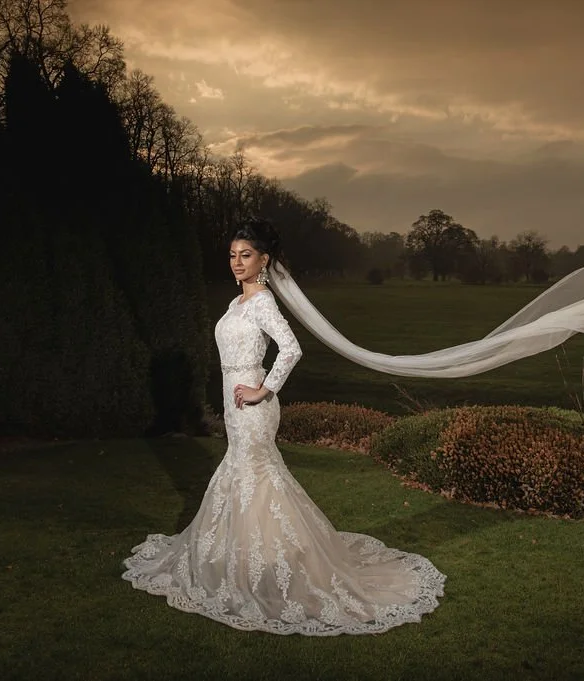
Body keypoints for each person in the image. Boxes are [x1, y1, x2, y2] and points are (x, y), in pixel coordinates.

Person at [122, 219, 446, 636]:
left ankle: (266, 567)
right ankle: (247, 557)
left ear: (264, 260)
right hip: (233, 401)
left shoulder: (261, 302)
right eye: (233, 255)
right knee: (246, 476)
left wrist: (264, 390)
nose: (237, 263)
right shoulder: (237, 303)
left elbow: (291, 349)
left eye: (246, 255)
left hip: (252, 407)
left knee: (254, 476)